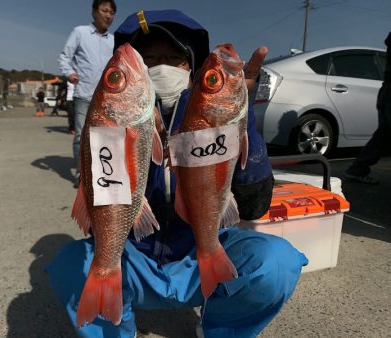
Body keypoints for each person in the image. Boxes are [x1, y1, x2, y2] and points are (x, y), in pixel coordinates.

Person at [47, 9, 308, 338]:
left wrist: (242, 122)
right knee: (72, 266)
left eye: (174, 58)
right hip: (133, 261)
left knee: (275, 262)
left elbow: (255, 206)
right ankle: (114, 327)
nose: (162, 66)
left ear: (191, 66)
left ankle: (222, 329)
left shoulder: (206, 117)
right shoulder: (111, 128)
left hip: (199, 259)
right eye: (151, 57)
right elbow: (105, 195)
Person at [58, 0, 117, 188]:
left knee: (108, 137)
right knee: (82, 136)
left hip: (108, 98)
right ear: (94, 11)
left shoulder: (114, 40)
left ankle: (105, 174)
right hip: (84, 94)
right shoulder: (80, 32)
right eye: (104, 10)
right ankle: (81, 174)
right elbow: (64, 56)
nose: (108, 15)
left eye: (112, 12)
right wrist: (69, 73)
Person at [343, 32, 391, 185]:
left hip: (386, 91)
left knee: (383, 136)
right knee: (383, 136)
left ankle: (357, 169)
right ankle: (357, 169)